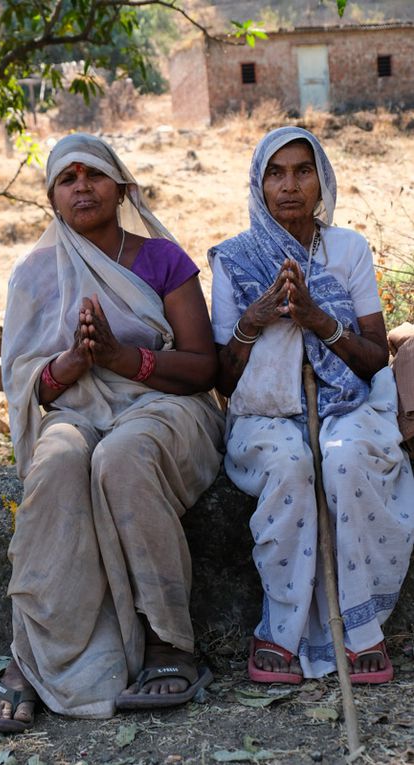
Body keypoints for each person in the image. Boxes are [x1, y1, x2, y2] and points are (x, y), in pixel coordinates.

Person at [0, 133, 224, 732]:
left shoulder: (163, 259)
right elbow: (29, 386)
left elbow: (201, 367)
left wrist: (122, 360)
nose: (82, 186)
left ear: (121, 186)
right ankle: (32, 657)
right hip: (74, 411)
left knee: (123, 457)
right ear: (54, 199)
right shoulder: (35, 274)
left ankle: (170, 644)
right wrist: (77, 362)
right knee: (59, 461)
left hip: (162, 408)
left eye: (93, 174)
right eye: (67, 178)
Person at [209, 126, 414, 684]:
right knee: (291, 465)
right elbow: (223, 378)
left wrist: (321, 322)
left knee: (346, 460)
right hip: (266, 414)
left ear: (321, 180)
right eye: (275, 173)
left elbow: (374, 360)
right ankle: (281, 630)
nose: (290, 185)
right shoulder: (236, 260)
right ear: (258, 184)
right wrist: (252, 322)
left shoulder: (348, 249)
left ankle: (362, 630)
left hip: (348, 406)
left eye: (303, 170)